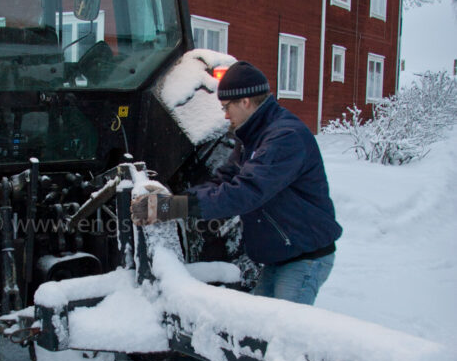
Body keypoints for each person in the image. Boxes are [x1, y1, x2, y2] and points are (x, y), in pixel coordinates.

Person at [131, 60, 342, 307]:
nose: (225, 114)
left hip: (304, 259)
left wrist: (171, 208)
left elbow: (244, 193)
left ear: (245, 101)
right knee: (261, 331)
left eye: (227, 106)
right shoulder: (253, 136)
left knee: (284, 336)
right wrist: (174, 201)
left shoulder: (284, 138)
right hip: (280, 257)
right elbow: (224, 180)